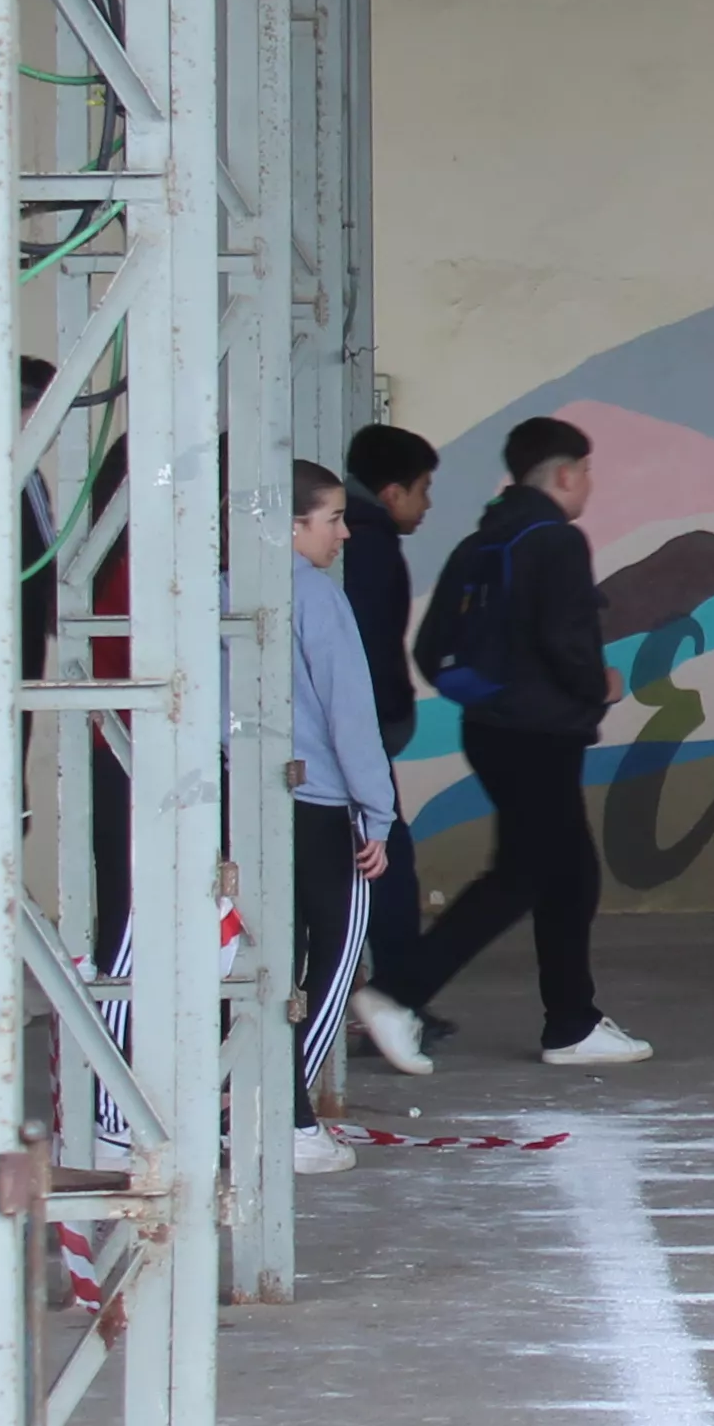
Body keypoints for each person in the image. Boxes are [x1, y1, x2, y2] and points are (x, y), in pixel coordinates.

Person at [390, 415, 645, 1067]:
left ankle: (571, 1022)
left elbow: (431, 645)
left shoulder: (484, 538)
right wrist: (600, 686)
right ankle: (396, 993)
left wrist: (492, 695)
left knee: (569, 874)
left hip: (494, 728)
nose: (589, 483)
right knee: (526, 874)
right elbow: (565, 640)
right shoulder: (556, 540)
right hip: (539, 734)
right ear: (564, 474)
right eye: (586, 471)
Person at [280, 464, 393, 1182]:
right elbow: (349, 715)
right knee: (336, 959)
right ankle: (285, 1118)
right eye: (331, 519)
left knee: (257, 966)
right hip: (319, 805)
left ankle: (245, 1104)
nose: (344, 533)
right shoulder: (317, 599)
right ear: (293, 528)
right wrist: (377, 812)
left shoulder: (211, 590)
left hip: (239, 805)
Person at [338, 423, 441, 1077]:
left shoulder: (363, 541)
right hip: (355, 741)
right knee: (388, 863)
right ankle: (397, 995)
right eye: (424, 491)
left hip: (351, 737)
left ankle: (391, 992)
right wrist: (388, 721)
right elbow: (370, 654)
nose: (428, 506)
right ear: (391, 490)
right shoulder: (370, 548)